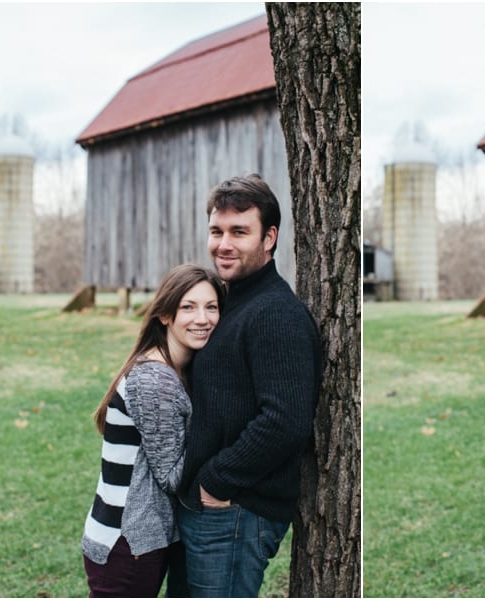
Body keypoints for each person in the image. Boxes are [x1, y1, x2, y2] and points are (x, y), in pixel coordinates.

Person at [174, 174, 322, 597]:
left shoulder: (275, 314)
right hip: (213, 510)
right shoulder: (234, 302)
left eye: (240, 232)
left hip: (236, 511)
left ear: (269, 237)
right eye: (216, 231)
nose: (224, 244)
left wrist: (215, 481)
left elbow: (284, 421)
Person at [81, 264, 225, 597]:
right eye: (188, 307)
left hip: (131, 538)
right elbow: (172, 477)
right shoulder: (155, 380)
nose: (202, 318)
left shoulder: (171, 370)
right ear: (164, 315)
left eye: (211, 307)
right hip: (127, 542)